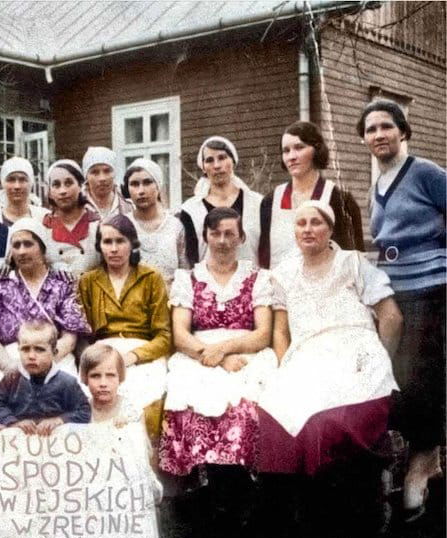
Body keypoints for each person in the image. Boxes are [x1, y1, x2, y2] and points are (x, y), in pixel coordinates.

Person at [257, 202, 403, 479]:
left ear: (331, 229)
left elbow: (391, 317)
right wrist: (283, 368)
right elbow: (280, 332)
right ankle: (292, 504)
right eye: (302, 224)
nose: (308, 229)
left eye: (317, 222)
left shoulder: (353, 263)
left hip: (355, 351)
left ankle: (355, 490)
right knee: (276, 412)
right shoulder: (284, 274)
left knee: (330, 418)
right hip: (308, 356)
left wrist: (381, 360)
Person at [359, 99, 446, 519]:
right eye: (371, 129)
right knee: (398, 376)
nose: (378, 135)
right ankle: (426, 458)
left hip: (431, 289)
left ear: (403, 131)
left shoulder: (427, 173)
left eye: (386, 126)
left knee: (423, 377)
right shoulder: (377, 183)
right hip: (394, 290)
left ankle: (422, 465)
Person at [158, 208, 275, 478]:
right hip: (198, 357)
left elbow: (262, 334)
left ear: (242, 237)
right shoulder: (188, 279)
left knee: (245, 410)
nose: (222, 240)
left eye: (229, 234)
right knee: (190, 407)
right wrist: (218, 359)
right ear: (205, 237)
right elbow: (180, 335)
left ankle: (242, 491)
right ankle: (205, 490)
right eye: (215, 234)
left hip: (247, 354)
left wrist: (224, 349)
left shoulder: (257, 278)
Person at [78, 214, 171, 410]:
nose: (113, 249)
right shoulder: (88, 281)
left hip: (143, 355)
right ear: (99, 246)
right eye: (107, 242)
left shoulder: (151, 278)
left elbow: (164, 336)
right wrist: (93, 359)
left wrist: (133, 356)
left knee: (144, 402)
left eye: (120, 241)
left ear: (132, 243)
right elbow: (82, 334)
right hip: (102, 354)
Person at [0, 218, 91, 377]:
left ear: (43, 248)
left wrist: (46, 361)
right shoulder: (1, 286)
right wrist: (9, 366)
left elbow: (70, 336)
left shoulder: (62, 284)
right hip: (11, 361)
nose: (22, 251)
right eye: (16, 245)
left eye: (28, 244)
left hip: (56, 357)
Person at [258, 121, 364, 269]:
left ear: (317, 149)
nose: (291, 156)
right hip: (279, 288)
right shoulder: (271, 201)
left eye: (299, 147)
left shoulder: (340, 200)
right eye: (286, 150)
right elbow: (264, 258)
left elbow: (354, 261)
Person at [0, 320, 91, 435]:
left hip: (54, 443)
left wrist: (60, 420)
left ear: (54, 352)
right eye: (25, 349)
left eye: (39, 349)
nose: (31, 356)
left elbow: (84, 411)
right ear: (18, 350)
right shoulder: (11, 378)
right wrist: (12, 421)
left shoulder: (66, 382)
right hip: (20, 442)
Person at [179, 136, 262, 265]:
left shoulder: (257, 203)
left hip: (251, 281)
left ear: (233, 161)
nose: (217, 165)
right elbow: (190, 259)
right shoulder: (190, 211)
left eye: (222, 158)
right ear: (203, 167)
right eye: (210, 160)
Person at [122, 158, 188, 284]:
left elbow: (184, 272)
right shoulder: (122, 226)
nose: (141, 191)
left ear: (158, 185)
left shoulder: (175, 226)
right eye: (135, 184)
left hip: (169, 299)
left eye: (147, 183)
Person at [41, 160, 101, 277]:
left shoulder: (97, 225)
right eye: (56, 185)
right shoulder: (43, 228)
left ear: (80, 186)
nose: (63, 191)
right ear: (49, 192)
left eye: (68, 183)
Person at [80, 343, 141, 427]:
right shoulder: (80, 411)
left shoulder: (131, 411)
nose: (103, 383)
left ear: (120, 377)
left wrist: (128, 429)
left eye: (110, 375)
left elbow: (142, 439)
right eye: (95, 376)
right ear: (85, 378)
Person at [0, 157, 50, 226]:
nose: (17, 186)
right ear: (3, 183)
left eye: (22, 179)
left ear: (31, 182)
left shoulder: (44, 218)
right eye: (11, 180)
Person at [82, 146, 133, 218]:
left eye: (107, 171)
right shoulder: (76, 208)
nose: (102, 178)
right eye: (95, 172)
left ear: (114, 173)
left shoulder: (130, 208)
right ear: (86, 176)